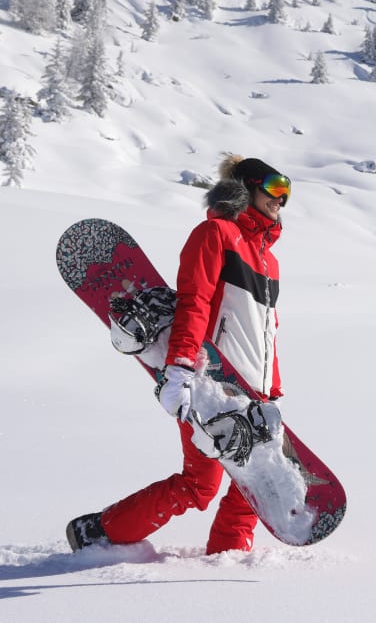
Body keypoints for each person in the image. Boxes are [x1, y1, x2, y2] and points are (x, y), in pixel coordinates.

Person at [66, 154, 291, 554]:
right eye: (275, 187)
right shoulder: (215, 234)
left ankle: (228, 557)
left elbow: (265, 331)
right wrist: (182, 369)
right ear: (248, 187)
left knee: (253, 484)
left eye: (287, 193)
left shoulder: (268, 260)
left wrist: (270, 391)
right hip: (211, 382)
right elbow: (195, 302)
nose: (281, 199)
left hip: (251, 389)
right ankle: (99, 532)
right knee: (200, 485)